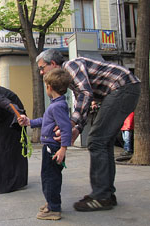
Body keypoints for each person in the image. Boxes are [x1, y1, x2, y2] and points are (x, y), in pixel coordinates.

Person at [36, 49, 141, 211]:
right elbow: (82, 101)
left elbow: (86, 93)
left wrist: (71, 123)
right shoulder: (70, 80)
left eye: (42, 67)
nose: (41, 72)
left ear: (54, 64)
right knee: (104, 142)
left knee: (96, 141)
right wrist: (77, 128)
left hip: (122, 86)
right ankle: (106, 194)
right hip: (123, 88)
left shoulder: (70, 66)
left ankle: (101, 196)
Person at [18, 68, 72, 220]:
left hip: (53, 149)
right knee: (49, 177)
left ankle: (54, 208)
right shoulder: (56, 104)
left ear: (49, 87)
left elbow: (66, 128)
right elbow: (45, 120)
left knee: (50, 178)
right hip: (50, 148)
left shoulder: (57, 106)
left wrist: (63, 148)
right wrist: (29, 122)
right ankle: (51, 203)